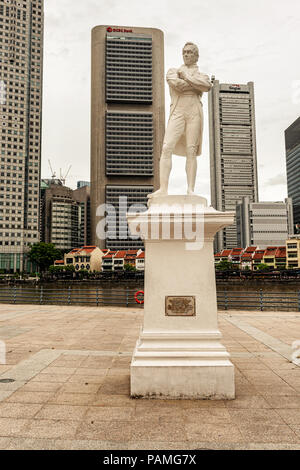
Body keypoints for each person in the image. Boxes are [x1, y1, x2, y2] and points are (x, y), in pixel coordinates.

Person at [149, 42, 212, 198]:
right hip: (178, 111)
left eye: (190, 52)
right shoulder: (173, 71)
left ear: (196, 56)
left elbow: (206, 86)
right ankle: (163, 188)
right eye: (184, 52)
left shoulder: (202, 75)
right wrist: (192, 82)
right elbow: (178, 85)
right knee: (166, 147)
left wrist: (186, 78)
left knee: (191, 150)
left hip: (194, 112)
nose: (186, 54)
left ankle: (190, 189)